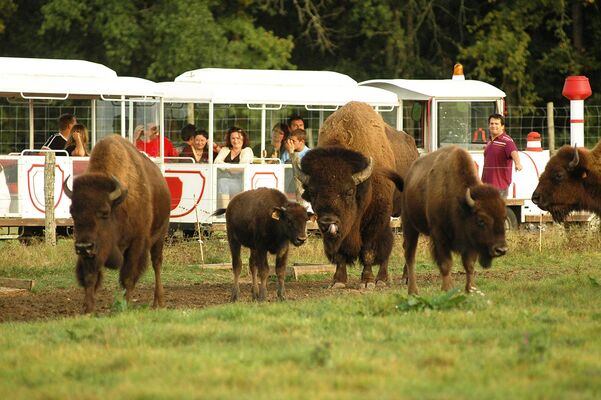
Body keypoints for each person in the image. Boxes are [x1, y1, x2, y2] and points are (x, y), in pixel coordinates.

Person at [481, 113, 523, 198]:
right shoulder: (489, 143)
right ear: (489, 125)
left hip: (500, 186)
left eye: (497, 124)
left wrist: (518, 163)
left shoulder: (507, 140)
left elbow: (513, 151)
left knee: (497, 210)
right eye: (492, 123)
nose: (494, 126)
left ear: (502, 126)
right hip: (486, 186)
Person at [215, 127, 254, 207]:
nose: (235, 141)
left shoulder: (247, 150)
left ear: (243, 138)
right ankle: (223, 210)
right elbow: (216, 162)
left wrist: (225, 167)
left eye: (238, 138)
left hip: (241, 182)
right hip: (224, 181)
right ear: (229, 139)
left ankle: (226, 211)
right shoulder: (225, 149)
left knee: (222, 182)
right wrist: (230, 168)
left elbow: (241, 168)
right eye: (233, 138)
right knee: (221, 182)